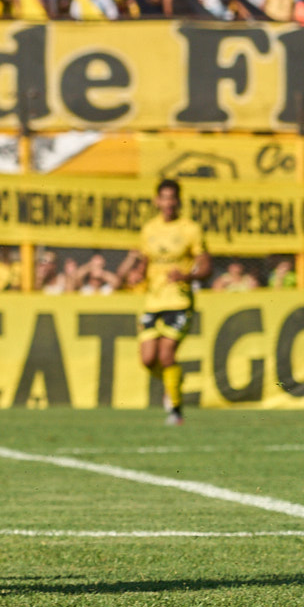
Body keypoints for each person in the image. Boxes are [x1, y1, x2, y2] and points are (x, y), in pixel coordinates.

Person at [118, 179, 210, 426]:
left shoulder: (190, 229)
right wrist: (138, 274)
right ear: (157, 201)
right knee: (148, 359)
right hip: (153, 301)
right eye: (164, 198)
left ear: (178, 201)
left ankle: (176, 411)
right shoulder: (149, 229)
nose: (168, 203)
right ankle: (174, 381)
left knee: (167, 354)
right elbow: (145, 262)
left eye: (172, 198)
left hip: (179, 302)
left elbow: (206, 266)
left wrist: (187, 276)